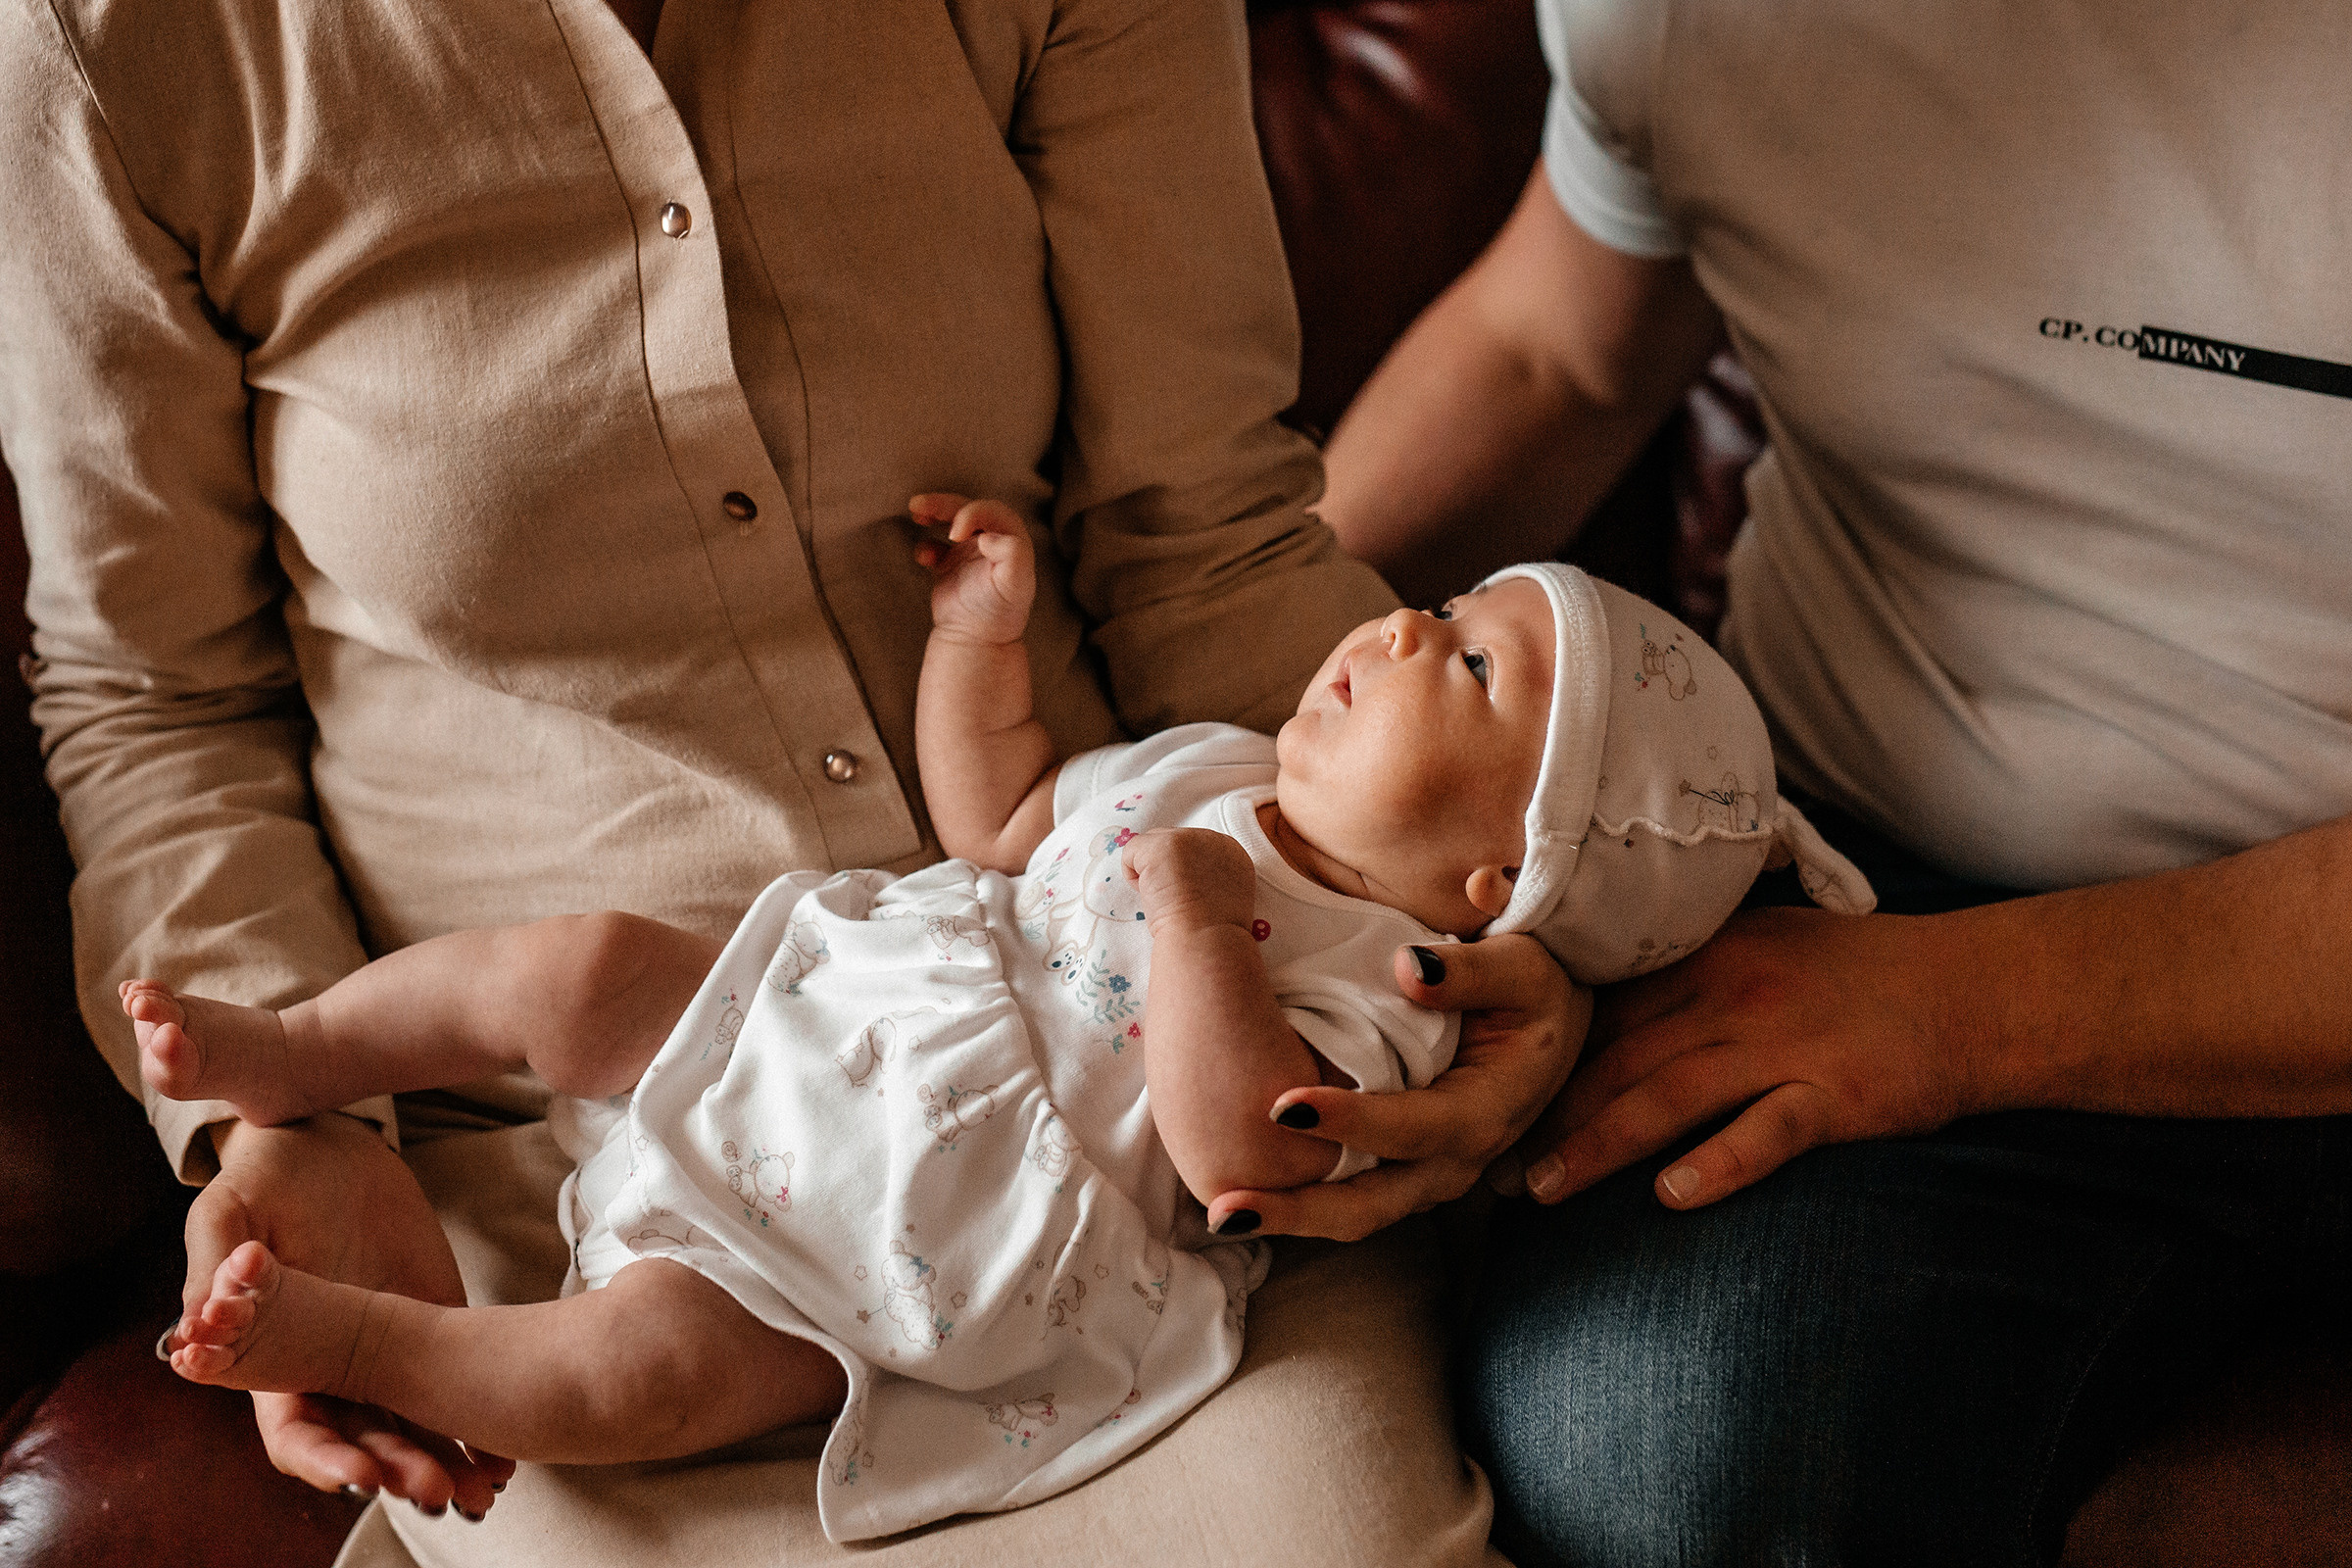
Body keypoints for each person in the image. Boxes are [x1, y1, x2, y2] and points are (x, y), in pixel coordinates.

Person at [2, 3, 1591, 1560]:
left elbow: (1208, 538)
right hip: (563, 1164)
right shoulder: (112, 45)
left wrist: (1497, 930)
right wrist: (294, 1123)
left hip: (1128, 1156)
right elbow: (157, 700)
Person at [128, 495, 1868, 1541]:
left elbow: (1232, 1146)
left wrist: (1196, 926)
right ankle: (303, 1054)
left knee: (647, 1368)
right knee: (572, 970)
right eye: (1445, 610)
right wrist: (981, 642)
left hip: (946, 1227)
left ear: (1502, 884)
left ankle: (365, 1348)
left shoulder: (1392, 1008)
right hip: (855, 1000)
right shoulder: (1221, 764)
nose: (1406, 631)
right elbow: (1007, 822)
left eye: (1476, 671)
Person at [1247, 0, 2352, 1561]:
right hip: (1839, 883)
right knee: (1652, 1456)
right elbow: (1556, 348)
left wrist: (1971, 1007)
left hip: (2165, 956)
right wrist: (1252, 805)